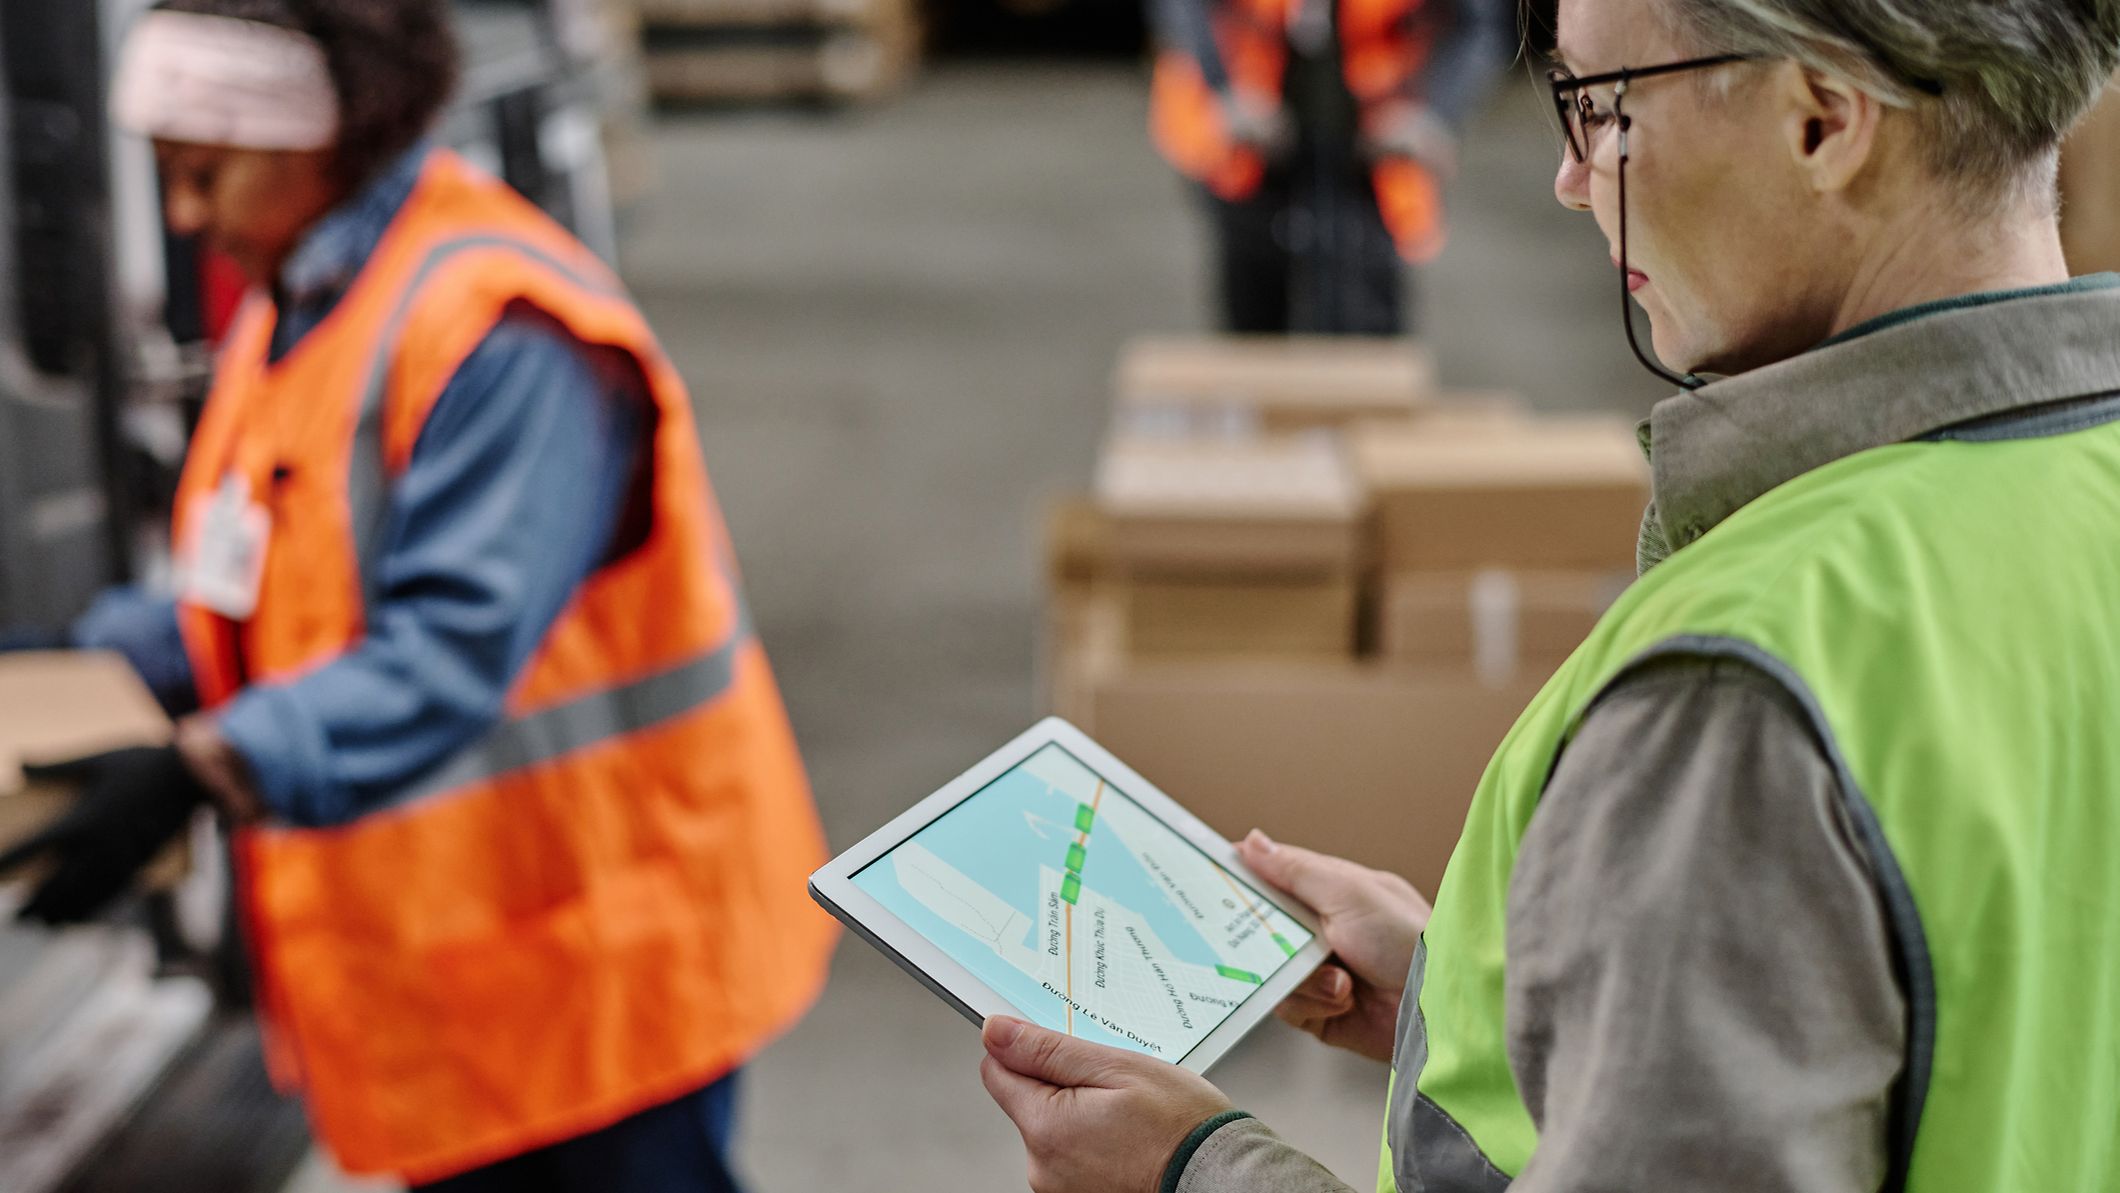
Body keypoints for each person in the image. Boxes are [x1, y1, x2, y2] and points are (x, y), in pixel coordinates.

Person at [984, 0, 2120, 1189]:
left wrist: (1194, 1170)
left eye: (1597, 106)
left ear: (1819, 121)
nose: (1573, 179)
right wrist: (1504, 996)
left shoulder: (1734, 691)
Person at [0, 1, 837, 1189]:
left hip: (600, 961)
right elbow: (268, 581)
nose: (186, 217)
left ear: (313, 143)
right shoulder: (315, 294)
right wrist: (80, 666)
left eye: (205, 174)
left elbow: (446, 649)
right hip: (471, 974)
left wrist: (203, 768)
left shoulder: (497, 330)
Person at [1147, 0, 1512, 334]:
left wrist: (1434, 113)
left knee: (1366, 318)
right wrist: (1222, 91)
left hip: (1373, 149)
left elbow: (1479, 26)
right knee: (1253, 320)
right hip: (1251, 145)